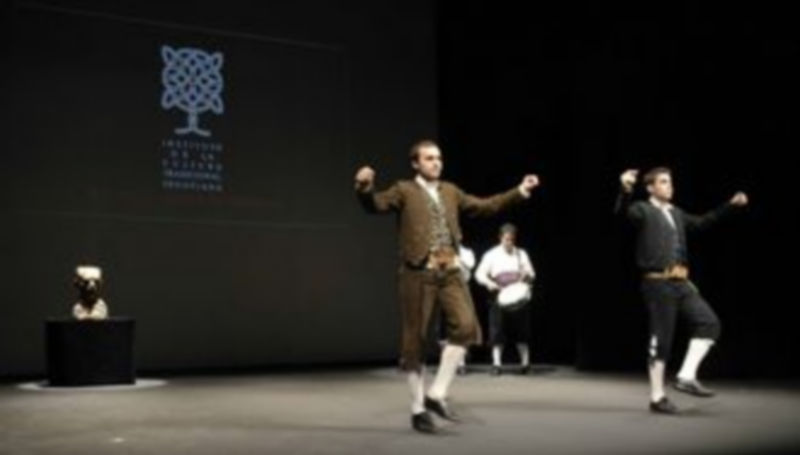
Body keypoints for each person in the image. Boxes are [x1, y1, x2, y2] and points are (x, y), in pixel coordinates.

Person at [354, 139, 539, 433]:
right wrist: (364, 188)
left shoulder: (450, 191)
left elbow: (485, 206)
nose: (436, 163)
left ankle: (436, 393)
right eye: (429, 159)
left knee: (466, 328)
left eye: (438, 158)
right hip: (418, 272)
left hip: (450, 270)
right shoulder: (404, 190)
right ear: (415, 163)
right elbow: (375, 204)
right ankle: (418, 410)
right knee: (415, 342)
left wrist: (520, 191)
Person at [615, 167, 748, 414]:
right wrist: (625, 188)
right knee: (661, 341)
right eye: (663, 182)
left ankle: (686, 376)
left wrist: (730, 205)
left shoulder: (676, 213)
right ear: (651, 188)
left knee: (709, 323)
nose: (669, 186)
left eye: (670, 182)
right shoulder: (642, 209)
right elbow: (623, 212)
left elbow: (703, 222)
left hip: (681, 283)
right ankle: (657, 398)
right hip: (657, 283)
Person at [475, 223, 535, 375]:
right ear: (500, 238)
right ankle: (497, 364)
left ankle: (525, 364)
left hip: (518, 297)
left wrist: (527, 276)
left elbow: (532, 273)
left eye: (512, 240)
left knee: (522, 332)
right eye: (507, 239)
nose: (509, 243)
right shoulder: (491, 254)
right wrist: (489, 283)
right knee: (497, 331)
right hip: (498, 295)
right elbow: (479, 274)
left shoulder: (521, 254)